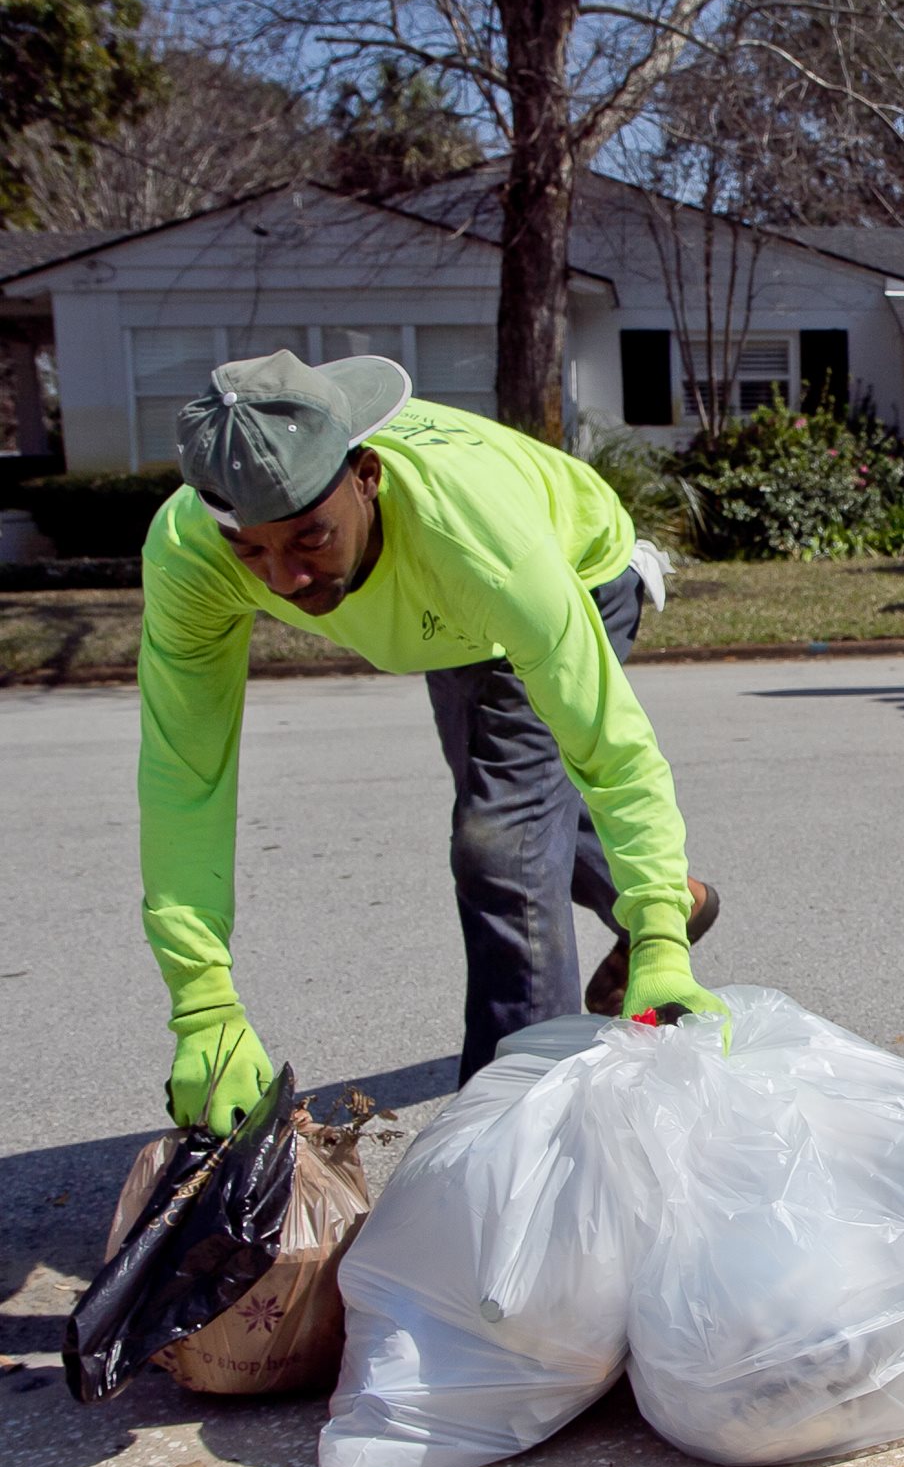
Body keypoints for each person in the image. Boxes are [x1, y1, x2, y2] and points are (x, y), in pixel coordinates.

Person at [140, 349, 727, 1136]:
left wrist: (657, 940)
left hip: (575, 562)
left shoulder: (477, 541)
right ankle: (670, 892)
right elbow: (187, 778)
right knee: (523, 809)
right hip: (440, 618)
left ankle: (517, 1132)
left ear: (367, 477)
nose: (282, 581)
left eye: (310, 539)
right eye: (252, 550)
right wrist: (202, 1005)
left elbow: (607, 741)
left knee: (502, 842)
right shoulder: (190, 553)